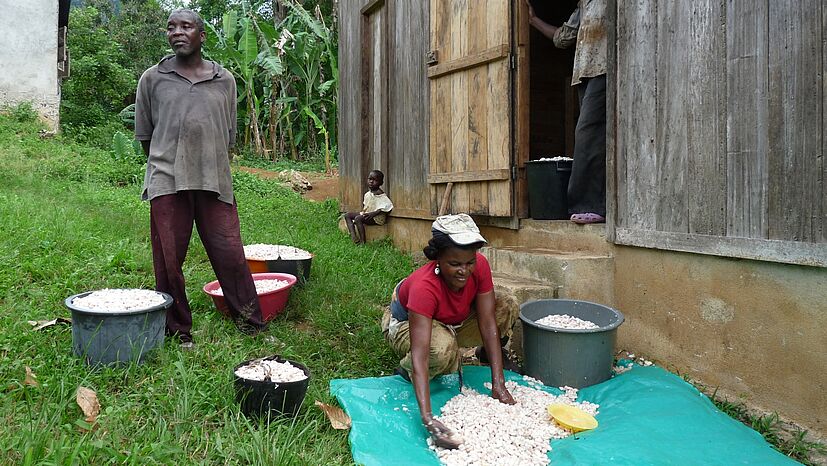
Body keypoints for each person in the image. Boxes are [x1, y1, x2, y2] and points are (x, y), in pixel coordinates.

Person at [134, 9, 265, 348]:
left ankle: (250, 319)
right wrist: (168, 161)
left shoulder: (225, 80)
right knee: (169, 260)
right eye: (171, 27)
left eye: (186, 26)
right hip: (167, 179)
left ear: (202, 35)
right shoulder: (152, 79)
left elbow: (228, 134)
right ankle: (178, 330)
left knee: (230, 251)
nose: (177, 32)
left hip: (214, 179)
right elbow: (147, 136)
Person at [381, 214, 521, 449]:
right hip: (406, 324)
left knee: (506, 305)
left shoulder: (480, 266)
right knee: (441, 351)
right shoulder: (424, 287)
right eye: (454, 264)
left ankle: (479, 354)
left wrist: (498, 384)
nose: (464, 271)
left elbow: (487, 323)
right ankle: (406, 371)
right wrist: (428, 419)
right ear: (437, 259)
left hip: (453, 320)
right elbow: (421, 352)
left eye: (469, 263)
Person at [528, 0, 607, 224]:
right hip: (585, 74)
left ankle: (589, 204)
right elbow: (563, 37)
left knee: (587, 135)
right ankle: (595, 204)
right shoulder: (585, 5)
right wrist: (533, 20)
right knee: (593, 138)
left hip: (605, 70)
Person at [344, 170, 393, 244]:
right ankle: (354, 236)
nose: (371, 182)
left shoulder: (380, 195)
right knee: (347, 215)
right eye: (370, 179)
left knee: (358, 219)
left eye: (375, 180)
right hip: (368, 214)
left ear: (381, 183)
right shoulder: (367, 194)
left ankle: (363, 242)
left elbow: (389, 206)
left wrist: (374, 213)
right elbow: (367, 206)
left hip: (377, 218)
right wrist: (365, 213)